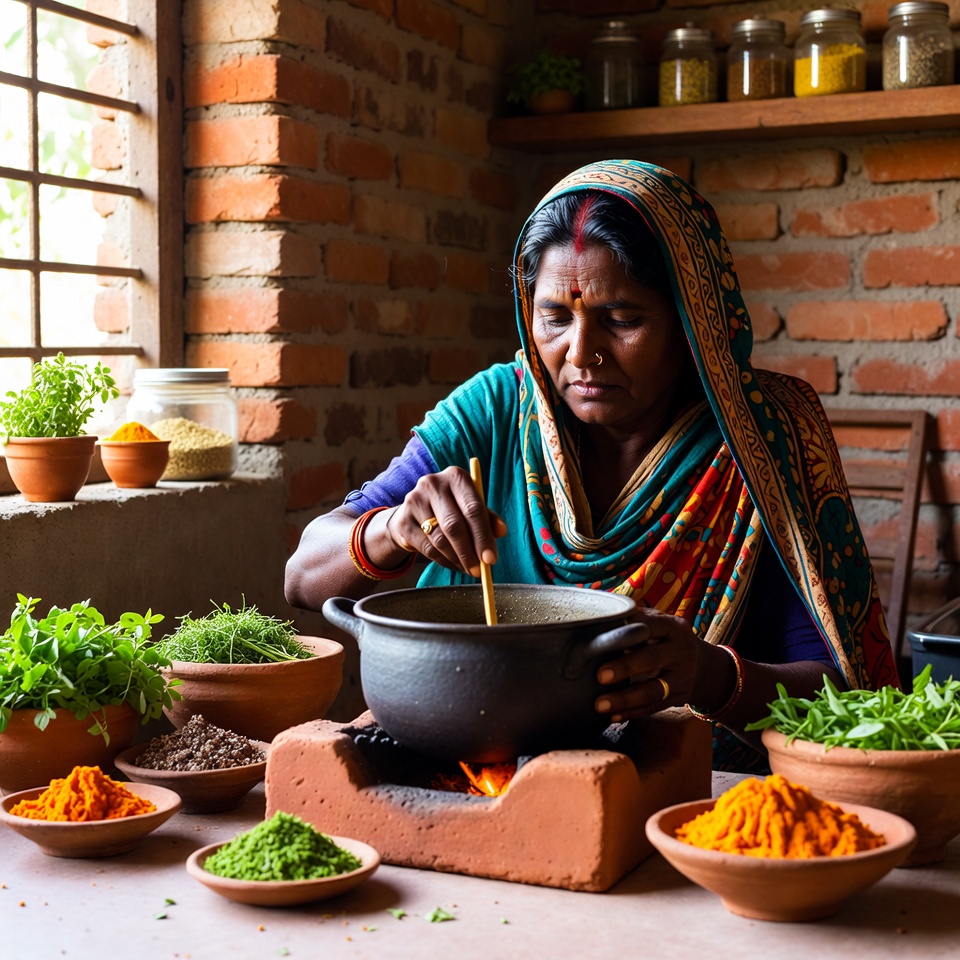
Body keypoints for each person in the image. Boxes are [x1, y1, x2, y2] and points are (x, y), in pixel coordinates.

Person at [285, 158, 899, 771]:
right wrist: (392, 530)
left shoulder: (759, 444)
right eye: (554, 317)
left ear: (692, 320)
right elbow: (303, 578)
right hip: (470, 757)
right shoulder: (496, 411)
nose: (581, 354)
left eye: (622, 320)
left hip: (693, 785)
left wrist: (709, 674)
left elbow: (847, 701)